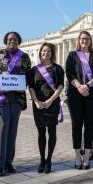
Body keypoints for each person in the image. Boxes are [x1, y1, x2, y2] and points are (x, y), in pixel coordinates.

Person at [0, 31, 31, 176]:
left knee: (12, 131)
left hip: (17, 98)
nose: (11, 41)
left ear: (19, 41)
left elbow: (28, 75)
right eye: (9, 39)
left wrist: (22, 83)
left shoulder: (24, 56)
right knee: (2, 130)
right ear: (5, 41)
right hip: (1, 97)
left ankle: (8, 163)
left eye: (14, 39)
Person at [65, 30, 93, 170]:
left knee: (89, 126)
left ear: (90, 40)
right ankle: (77, 156)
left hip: (91, 94)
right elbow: (69, 73)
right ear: (78, 40)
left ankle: (87, 156)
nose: (84, 41)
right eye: (82, 38)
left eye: (87, 38)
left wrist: (87, 86)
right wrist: (79, 86)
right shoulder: (72, 55)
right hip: (75, 94)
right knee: (76, 126)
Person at [28, 43, 64, 173]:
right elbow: (31, 87)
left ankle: (49, 160)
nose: (46, 53)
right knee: (41, 132)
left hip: (52, 103)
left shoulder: (58, 69)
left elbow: (60, 86)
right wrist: (36, 101)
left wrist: (50, 100)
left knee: (52, 131)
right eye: (43, 51)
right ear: (40, 53)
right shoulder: (34, 70)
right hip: (38, 104)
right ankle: (42, 160)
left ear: (52, 54)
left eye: (48, 51)